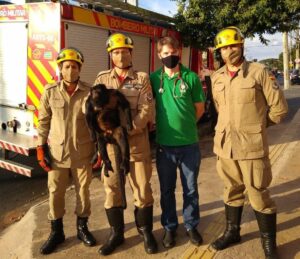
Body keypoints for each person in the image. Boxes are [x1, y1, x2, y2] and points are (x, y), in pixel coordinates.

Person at [210, 27, 288, 259]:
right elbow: (219, 109)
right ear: (219, 52)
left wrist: (258, 127)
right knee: (231, 190)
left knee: (258, 194)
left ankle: (268, 243)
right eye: (224, 48)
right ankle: (232, 232)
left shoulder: (259, 72)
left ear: (241, 45)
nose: (228, 51)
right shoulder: (217, 77)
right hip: (225, 147)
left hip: (251, 147)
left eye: (232, 45)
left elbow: (279, 110)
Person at [94, 33, 158, 255]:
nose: (120, 56)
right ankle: (116, 233)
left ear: (131, 53)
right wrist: (105, 130)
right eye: (116, 52)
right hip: (111, 146)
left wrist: (128, 129)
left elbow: (146, 110)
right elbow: (95, 109)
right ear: (111, 55)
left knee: (142, 189)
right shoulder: (101, 79)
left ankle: (145, 231)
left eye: (124, 51)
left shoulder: (142, 78)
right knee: (112, 190)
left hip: (137, 144)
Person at [37, 47, 96, 255]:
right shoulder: (50, 91)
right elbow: (43, 121)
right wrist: (40, 148)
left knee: (83, 192)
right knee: (55, 192)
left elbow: (96, 122)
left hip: (83, 152)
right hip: (57, 154)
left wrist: (99, 149)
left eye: (74, 67)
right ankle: (57, 232)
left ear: (80, 69)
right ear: (60, 69)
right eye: (67, 66)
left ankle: (82, 228)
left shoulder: (90, 92)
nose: (70, 70)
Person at [150, 36, 206, 248]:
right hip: (165, 146)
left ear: (179, 53)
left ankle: (191, 226)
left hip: (189, 144)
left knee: (190, 189)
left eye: (173, 52)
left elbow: (199, 108)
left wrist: (186, 124)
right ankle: (170, 227)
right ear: (159, 55)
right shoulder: (154, 79)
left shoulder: (191, 77)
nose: (170, 56)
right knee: (166, 190)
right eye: (165, 53)